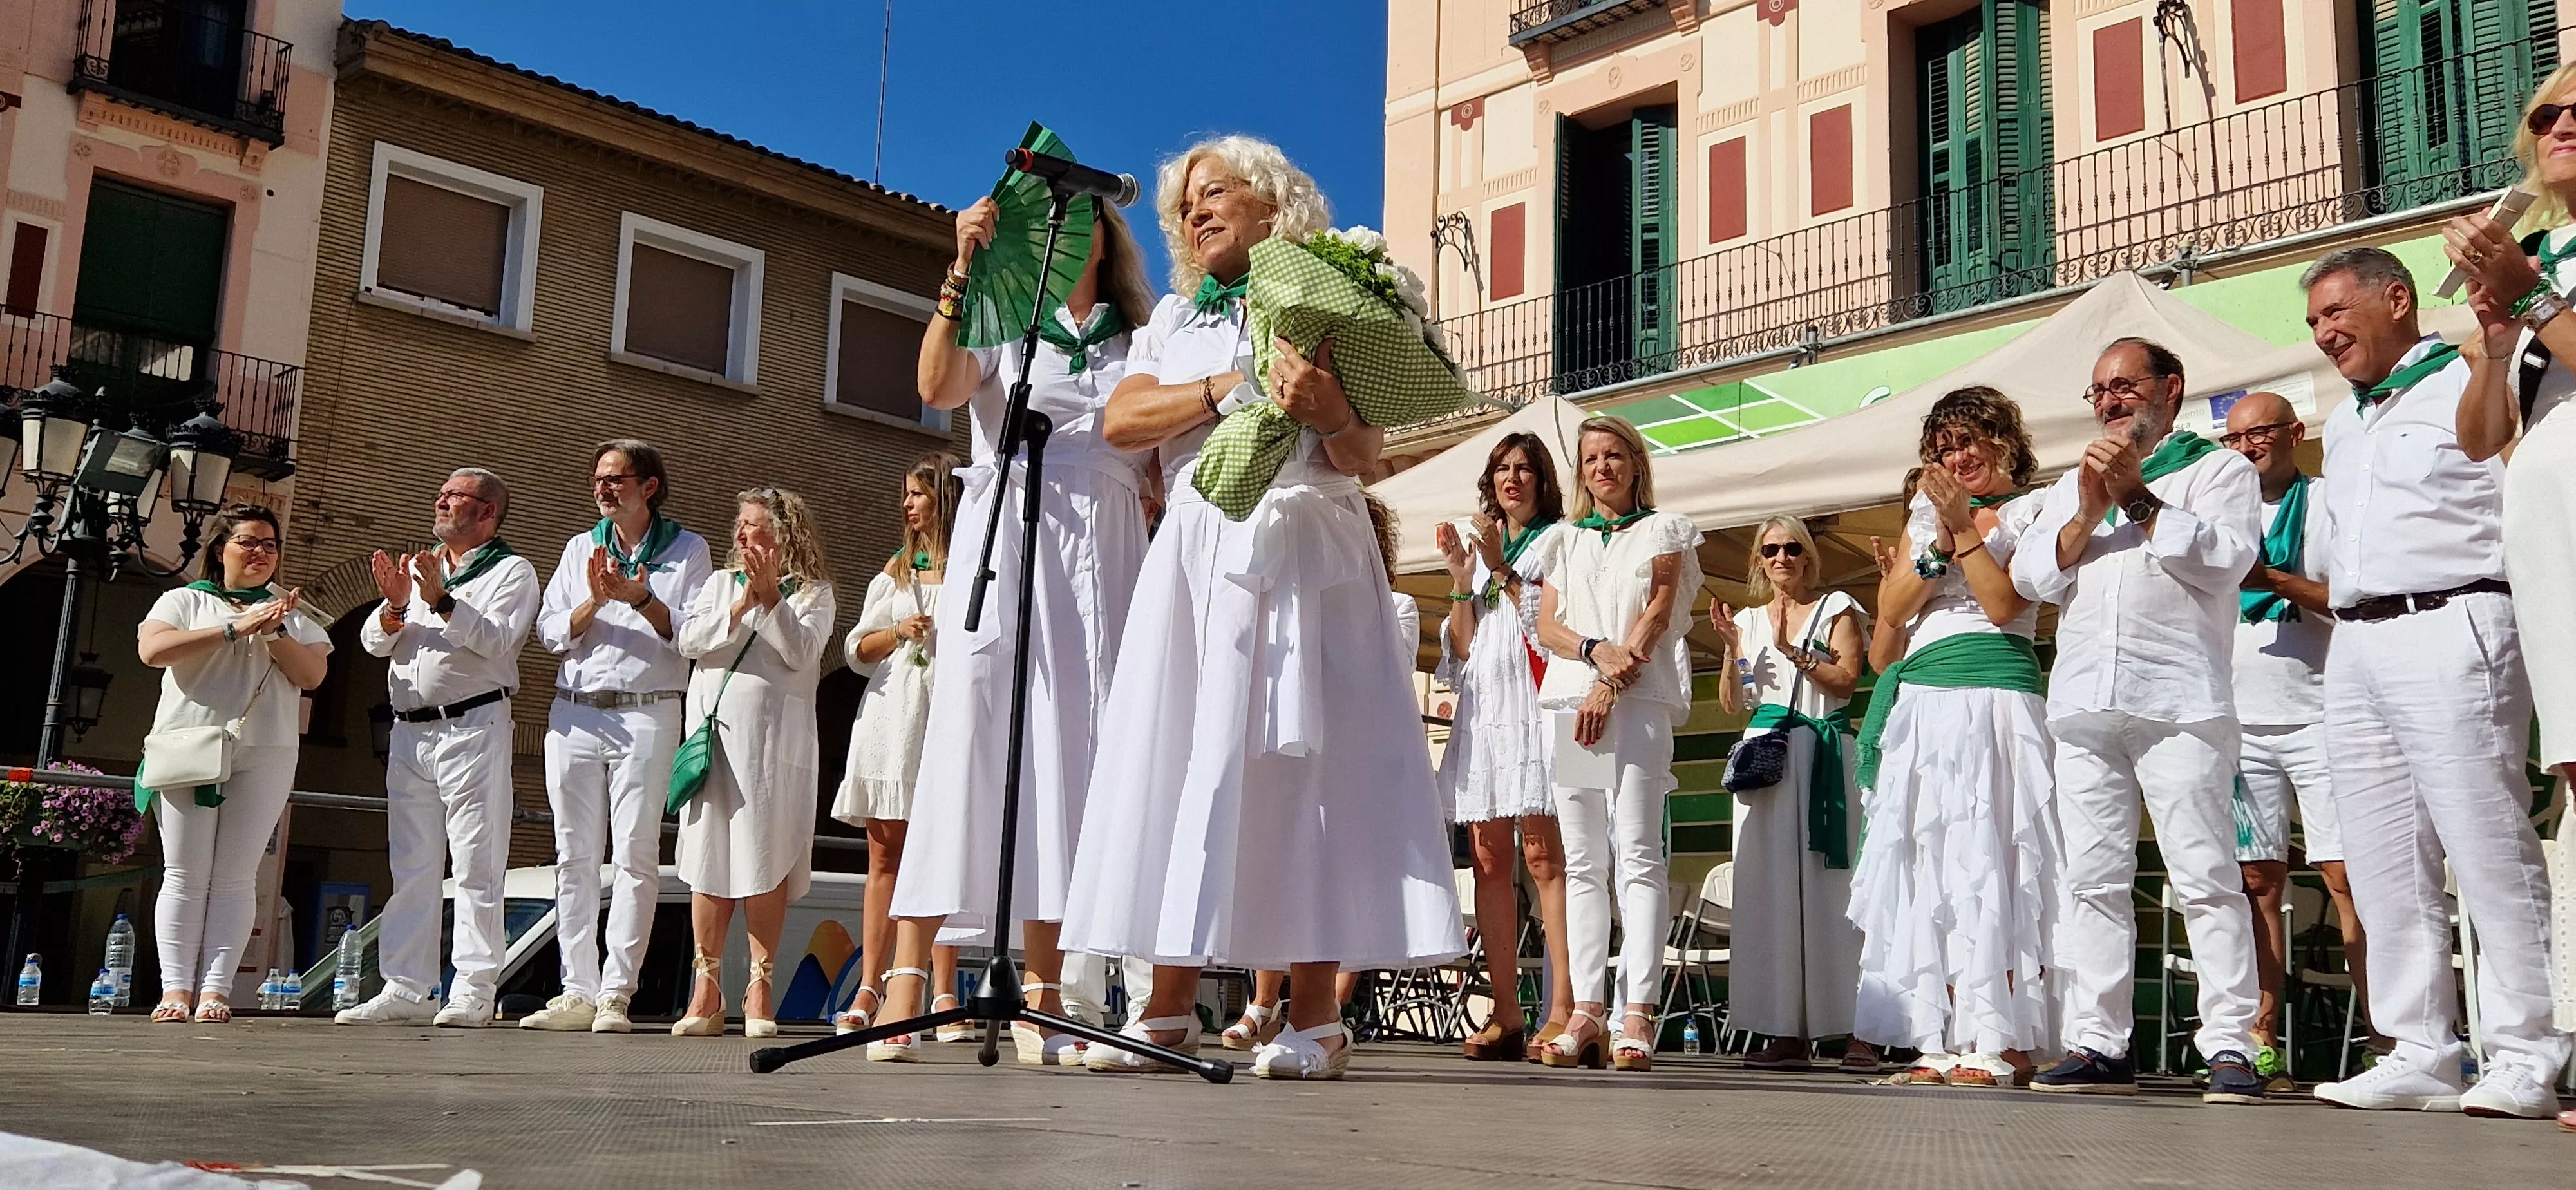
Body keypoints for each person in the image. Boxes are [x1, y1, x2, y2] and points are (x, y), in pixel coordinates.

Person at [1059, 135, 1463, 1081]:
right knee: (1179, 763)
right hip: (1199, 546)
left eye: (1217, 194)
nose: (1196, 213)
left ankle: (1317, 1017)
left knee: (1313, 776)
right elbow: (1121, 423)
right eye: (1186, 204)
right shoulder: (1168, 320)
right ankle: (1165, 1011)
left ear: (1272, 205)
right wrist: (1225, 387)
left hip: (1308, 549)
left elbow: (1366, 455)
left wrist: (1325, 407)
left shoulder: (1326, 298)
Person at [870, 189, 1158, 1067]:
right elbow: (933, 385)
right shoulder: (1003, 327)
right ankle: (908, 980)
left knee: (1070, 759)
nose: (1056, 244)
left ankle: (1044, 992)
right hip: (1004, 546)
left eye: (1075, 228)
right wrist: (961, 272)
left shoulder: (1139, 344)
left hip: (1101, 556)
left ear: (1104, 242)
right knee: (969, 747)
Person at [2302, 245, 2570, 1118]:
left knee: (2485, 839)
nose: (2325, 333)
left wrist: (2493, 353)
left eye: (2337, 312)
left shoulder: (2469, 372)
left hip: (2455, 616)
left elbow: (2507, 468)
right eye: (2314, 322)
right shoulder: (2342, 422)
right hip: (2359, 635)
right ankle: (2419, 1045)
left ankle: (2530, 1047)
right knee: (2382, 855)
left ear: (2397, 298)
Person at [2006, 339, 2269, 1102]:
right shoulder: (2071, 482)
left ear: (2170, 389)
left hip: (2179, 700)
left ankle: (2228, 1045)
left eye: (2123, 386)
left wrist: (2136, 499)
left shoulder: (2217, 469)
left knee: (2206, 877)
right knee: (2091, 879)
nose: (2110, 402)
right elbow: (2029, 578)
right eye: (2098, 392)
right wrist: (2088, 508)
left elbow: (2225, 562)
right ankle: (2098, 1039)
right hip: (2087, 702)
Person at [1848, 388, 2058, 1088]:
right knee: (1929, 862)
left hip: (1995, 695)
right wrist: (1937, 540)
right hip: (1923, 702)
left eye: (1969, 442)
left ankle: (2002, 1036)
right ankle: (1934, 1035)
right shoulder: (1923, 517)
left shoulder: (2033, 509)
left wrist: (1964, 529)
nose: (1957, 457)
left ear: (2003, 443)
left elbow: (2004, 602)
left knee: (1994, 859)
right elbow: (1892, 606)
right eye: (1944, 449)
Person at [2453, 69, 2576, 1131]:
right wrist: (2496, 345)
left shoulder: (2551, 268)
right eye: (2545, 112)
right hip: (2542, 513)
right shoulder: (2551, 257)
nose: (2564, 122)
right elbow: (2482, 434)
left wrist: (2530, 289)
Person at [1517, 416, 1699, 1073]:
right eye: (1592, 457)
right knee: (1585, 859)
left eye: (1614, 455)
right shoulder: (1562, 540)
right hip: (1573, 704)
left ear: (1635, 464)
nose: (1602, 467)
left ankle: (1637, 1012)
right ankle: (1588, 1008)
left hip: (1636, 704)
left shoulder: (1664, 531)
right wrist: (1594, 658)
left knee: (1638, 855)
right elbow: (1549, 625)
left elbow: (1655, 611)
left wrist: (1611, 685)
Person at [521, 440, 713, 1035]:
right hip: (574, 713)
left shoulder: (688, 549)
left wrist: (642, 598)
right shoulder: (582, 547)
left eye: (615, 480)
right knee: (572, 855)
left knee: (634, 853)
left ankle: (615, 994)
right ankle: (576, 990)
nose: (603, 489)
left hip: (647, 711)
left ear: (649, 486)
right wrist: (594, 602)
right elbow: (550, 630)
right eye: (597, 480)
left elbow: (692, 636)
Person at [338, 468, 540, 1028]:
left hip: (470, 726)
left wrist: (442, 600)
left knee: (477, 860)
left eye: (456, 497)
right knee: (411, 864)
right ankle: (408, 986)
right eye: (442, 493)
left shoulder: (511, 571)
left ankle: (474, 986)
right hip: (408, 730)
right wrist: (398, 605)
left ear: (487, 513)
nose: (441, 501)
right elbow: (374, 643)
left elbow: (499, 642)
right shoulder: (419, 564)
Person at [2218, 392, 2369, 1088]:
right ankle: (2260, 1042)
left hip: (2321, 716)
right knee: (2255, 883)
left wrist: (2273, 579)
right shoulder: (2222, 511)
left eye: (2260, 434)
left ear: (2293, 434)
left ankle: (2386, 1039)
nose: (2247, 447)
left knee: (2347, 878)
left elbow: (2353, 595)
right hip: (2241, 725)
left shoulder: (2330, 499)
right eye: (2235, 437)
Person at [136, 505, 331, 1025]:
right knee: (184, 872)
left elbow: (312, 676)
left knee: (236, 876)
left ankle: (217, 991)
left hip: (264, 750)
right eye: (249, 542)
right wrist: (235, 628)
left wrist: (272, 631)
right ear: (221, 548)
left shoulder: (293, 613)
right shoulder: (183, 600)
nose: (262, 553)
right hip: (188, 746)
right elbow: (153, 651)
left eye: (271, 545)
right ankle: (175, 990)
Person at [668, 487, 837, 1039]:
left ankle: (760, 984)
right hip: (716, 746)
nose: (741, 536)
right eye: (739, 525)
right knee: (709, 862)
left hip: (773, 754)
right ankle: (707, 987)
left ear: (784, 535)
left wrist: (771, 601)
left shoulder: (814, 594)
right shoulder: (719, 584)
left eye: (754, 526)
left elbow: (803, 653)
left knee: (765, 861)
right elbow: (688, 641)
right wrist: (741, 604)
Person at [1428, 432, 1575, 1062]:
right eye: (1501, 470)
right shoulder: (1481, 550)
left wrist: (1505, 566)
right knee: (1487, 862)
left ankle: (1563, 1008)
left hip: (1536, 711)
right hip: (1485, 714)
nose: (1511, 478)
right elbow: (1462, 647)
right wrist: (1465, 578)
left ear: (1542, 481)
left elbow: (1549, 632)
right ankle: (1507, 1014)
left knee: (1545, 858)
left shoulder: (1557, 543)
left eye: (1523, 469)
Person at [1713, 515, 1871, 1073]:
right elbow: (1737, 704)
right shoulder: (1749, 620)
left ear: (1808, 556)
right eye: (1770, 550)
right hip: (1766, 761)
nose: (1781, 558)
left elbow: (1848, 681)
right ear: (1759, 560)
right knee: (1769, 895)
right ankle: (1782, 1028)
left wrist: (1794, 651)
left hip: (1820, 753)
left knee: (1835, 891)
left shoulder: (1838, 608)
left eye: (1791, 549)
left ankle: (1857, 1029)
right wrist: (1735, 649)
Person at [828, 453, 967, 1042]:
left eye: (918, 494)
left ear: (945, 499)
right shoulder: (893, 574)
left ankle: (942, 988)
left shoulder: (973, 569)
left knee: (940, 852)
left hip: (946, 719)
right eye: (905, 495)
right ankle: (871, 983)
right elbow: (854, 652)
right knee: (885, 857)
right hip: (892, 718)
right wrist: (898, 632)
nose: (907, 505)